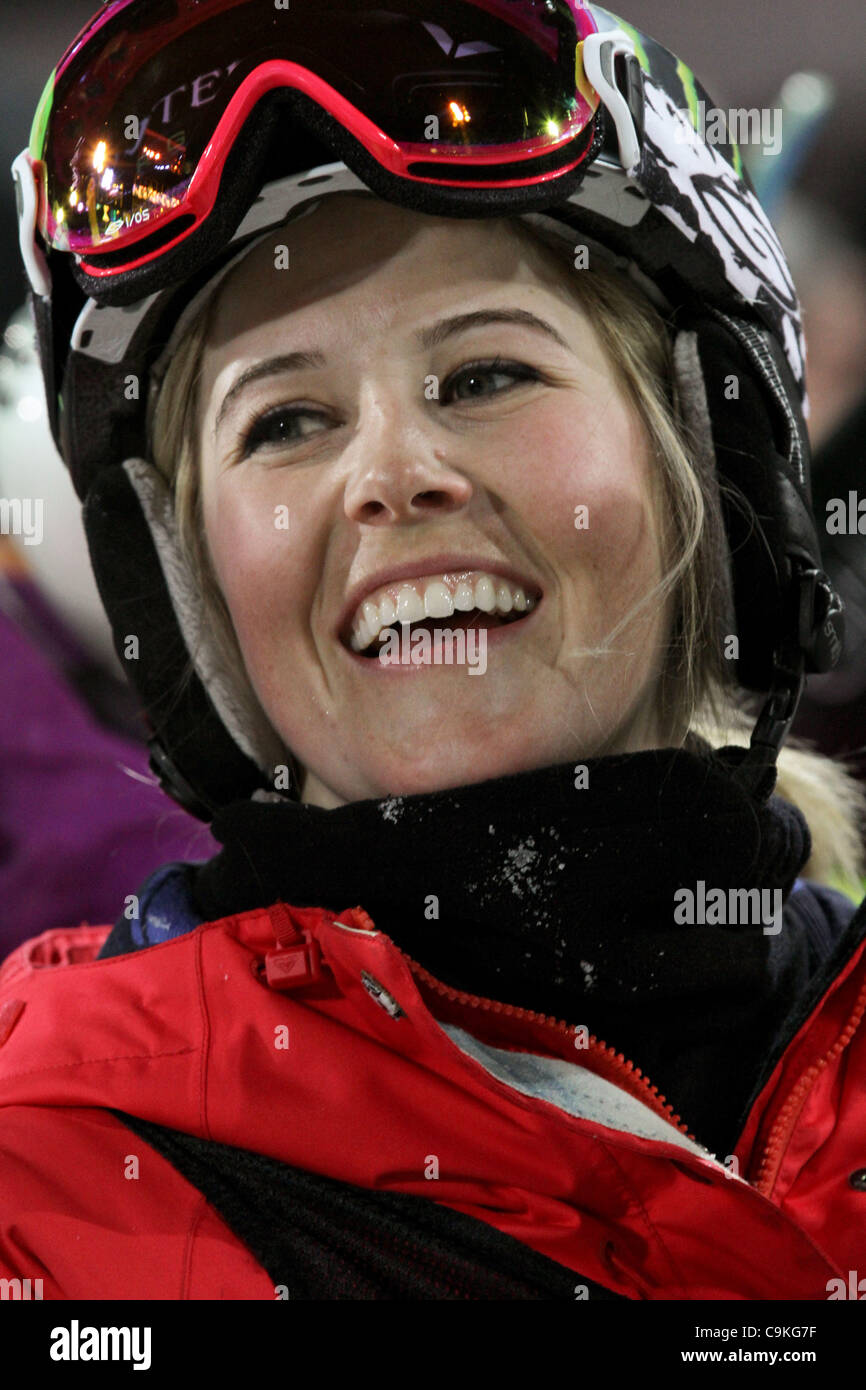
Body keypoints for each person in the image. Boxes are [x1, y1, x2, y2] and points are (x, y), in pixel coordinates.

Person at [2, 0, 865, 1301]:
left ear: (709, 463)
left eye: (482, 378)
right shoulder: (44, 1177)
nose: (390, 476)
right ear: (187, 586)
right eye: (285, 419)